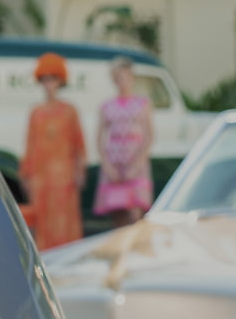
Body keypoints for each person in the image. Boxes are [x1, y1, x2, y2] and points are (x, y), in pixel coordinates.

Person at [18, 52, 86, 249]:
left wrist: (80, 171)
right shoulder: (36, 112)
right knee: (42, 220)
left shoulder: (70, 111)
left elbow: (79, 144)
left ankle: (67, 257)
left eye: (52, 79)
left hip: (65, 177)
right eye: (45, 79)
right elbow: (30, 144)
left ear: (60, 81)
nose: (48, 84)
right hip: (41, 177)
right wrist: (25, 174)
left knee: (64, 220)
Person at [93, 56, 154, 229]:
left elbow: (149, 136)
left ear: (132, 78)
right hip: (114, 165)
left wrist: (137, 164)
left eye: (125, 77)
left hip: (135, 164)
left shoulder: (143, 104)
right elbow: (99, 138)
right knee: (118, 214)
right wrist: (108, 166)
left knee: (135, 213)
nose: (122, 82)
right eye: (118, 78)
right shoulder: (107, 106)